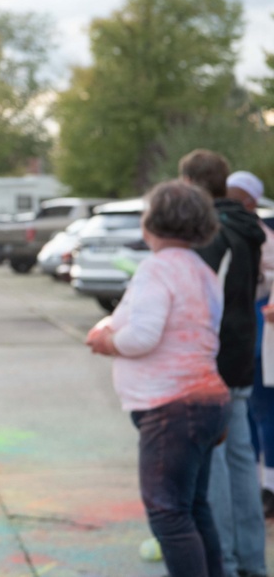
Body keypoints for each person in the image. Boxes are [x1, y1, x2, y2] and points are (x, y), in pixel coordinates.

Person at [86, 180, 230, 576]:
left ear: (152, 222)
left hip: (171, 406)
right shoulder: (203, 271)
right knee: (193, 508)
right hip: (205, 402)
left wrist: (107, 341)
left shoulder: (156, 268)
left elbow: (143, 337)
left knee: (169, 515)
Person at [180, 150, 268, 577]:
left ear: (192, 184)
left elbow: (202, 301)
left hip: (213, 359)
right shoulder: (249, 227)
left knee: (211, 464)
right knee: (241, 459)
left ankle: (225, 563)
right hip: (241, 353)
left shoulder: (210, 232)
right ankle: (252, 559)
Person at [226, 171, 274, 516]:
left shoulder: (263, 238)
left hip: (260, 328)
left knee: (264, 410)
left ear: (251, 202)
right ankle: (257, 483)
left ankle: (268, 485)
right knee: (249, 412)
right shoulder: (229, 233)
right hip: (244, 329)